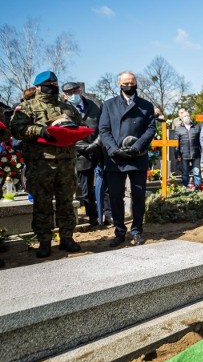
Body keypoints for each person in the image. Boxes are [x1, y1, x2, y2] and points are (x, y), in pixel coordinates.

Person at [10, 71, 84, 257]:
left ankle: (67, 237)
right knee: (42, 203)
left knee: (66, 202)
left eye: (55, 84)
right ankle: (44, 241)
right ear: (37, 87)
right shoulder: (26, 107)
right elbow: (17, 130)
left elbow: (79, 124)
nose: (52, 87)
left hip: (66, 162)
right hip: (41, 163)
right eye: (48, 85)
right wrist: (41, 131)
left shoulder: (66, 107)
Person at [99, 71, 156, 247]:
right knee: (116, 196)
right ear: (119, 84)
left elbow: (151, 129)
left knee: (138, 196)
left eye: (132, 82)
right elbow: (104, 129)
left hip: (137, 157)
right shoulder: (109, 105)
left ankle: (137, 230)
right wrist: (115, 150)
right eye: (125, 82)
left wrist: (137, 147)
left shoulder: (146, 105)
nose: (129, 85)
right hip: (116, 158)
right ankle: (119, 231)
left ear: (136, 83)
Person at [62, 82, 102, 227]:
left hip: (99, 148)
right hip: (80, 153)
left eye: (75, 91)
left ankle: (108, 215)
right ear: (65, 95)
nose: (73, 95)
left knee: (107, 185)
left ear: (80, 91)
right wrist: (84, 147)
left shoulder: (95, 105)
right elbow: (65, 132)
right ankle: (93, 217)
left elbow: (104, 125)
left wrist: (96, 143)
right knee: (86, 189)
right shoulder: (63, 109)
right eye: (69, 93)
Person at [174, 112, 202, 188]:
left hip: (196, 153)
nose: (187, 117)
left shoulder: (196, 127)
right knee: (185, 173)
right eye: (185, 116)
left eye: (188, 115)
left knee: (197, 172)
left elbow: (200, 140)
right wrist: (177, 155)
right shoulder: (178, 129)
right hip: (183, 155)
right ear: (182, 119)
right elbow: (176, 144)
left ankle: (198, 188)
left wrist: (201, 151)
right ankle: (185, 189)